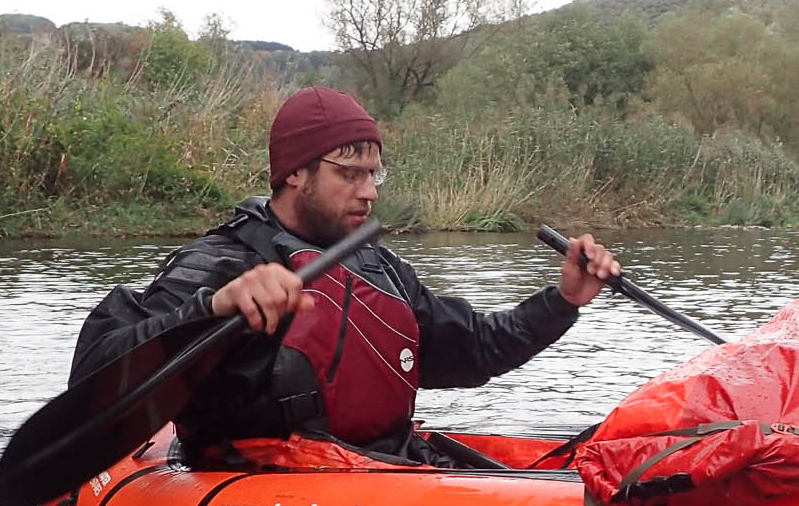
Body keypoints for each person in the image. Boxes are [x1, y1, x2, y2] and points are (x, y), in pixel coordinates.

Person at [71, 87, 622, 464]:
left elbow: (474, 349)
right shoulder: (223, 263)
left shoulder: (378, 268)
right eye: (349, 173)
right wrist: (211, 309)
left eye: (374, 172)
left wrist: (562, 301)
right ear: (294, 173)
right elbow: (99, 372)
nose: (370, 191)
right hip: (264, 492)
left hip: (382, 470)